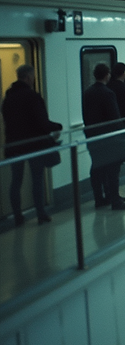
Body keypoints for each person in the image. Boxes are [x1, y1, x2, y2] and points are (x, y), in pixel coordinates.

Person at [2, 64, 63, 225]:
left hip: (13, 145)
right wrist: (57, 127)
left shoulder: (7, 98)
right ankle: (41, 214)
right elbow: (42, 123)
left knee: (16, 181)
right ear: (28, 77)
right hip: (34, 145)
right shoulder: (32, 96)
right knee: (37, 179)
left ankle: (17, 216)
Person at [83, 63, 125, 210]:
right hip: (109, 137)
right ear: (106, 75)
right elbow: (114, 117)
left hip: (93, 136)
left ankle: (100, 198)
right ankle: (115, 199)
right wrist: (122, 134)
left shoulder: (87, 92)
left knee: (97, 168)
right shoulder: (108, 93)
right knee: (113, 170)